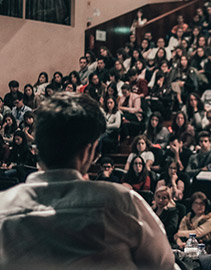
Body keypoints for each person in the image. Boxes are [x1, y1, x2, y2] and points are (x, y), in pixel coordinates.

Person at [0, 92, 175, 268]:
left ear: (37, 147)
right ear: (88, 152)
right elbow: (165, 265)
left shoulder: (3, 208)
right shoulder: (122, 204)